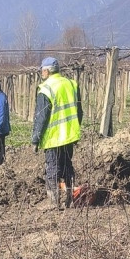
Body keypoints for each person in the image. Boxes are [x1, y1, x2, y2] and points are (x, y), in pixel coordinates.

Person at [32, 57, 82, 210]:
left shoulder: (46, 88)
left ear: (46, 71)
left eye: (42, 70)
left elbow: (41, 117)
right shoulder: (72, 85)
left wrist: (36, 139)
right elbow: (79, 112)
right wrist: (74, 129)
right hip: (69, 136)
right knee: (67, 167)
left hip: (53, 138)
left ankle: (54, 203)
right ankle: (70, 200)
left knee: (52, 169)